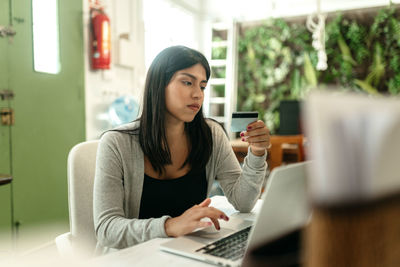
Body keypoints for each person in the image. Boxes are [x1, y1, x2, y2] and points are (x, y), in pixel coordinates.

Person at [93, 45, 270, 254]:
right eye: (187, 82)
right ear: (159, 85)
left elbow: (244, 201)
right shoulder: (116, 143)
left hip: (187, 253)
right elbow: (106, 229)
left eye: (202, 86)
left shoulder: (211, 134)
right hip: (133, 258)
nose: (198, 95)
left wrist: (257, 152)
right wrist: (170, 226)